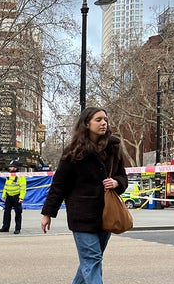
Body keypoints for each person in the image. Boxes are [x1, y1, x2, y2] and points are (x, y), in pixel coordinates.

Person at [40, 107, 127, 284]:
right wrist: (48, 213)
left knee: (91, 261)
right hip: (82, 215)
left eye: (105, 119)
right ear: (86, 124)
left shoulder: (113, 147)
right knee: (92, 260)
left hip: (106, 214)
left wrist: (117, 182)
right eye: (98, 119)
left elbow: (122, 176)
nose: (104, 123)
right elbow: (59, 185)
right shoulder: (73, 151)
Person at [0, 160, 27, 234]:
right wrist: (3, 195)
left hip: (16, 197)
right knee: (6, 212)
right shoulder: (9, 175)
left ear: (16, 168)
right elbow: (6, 186)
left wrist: (21, 197)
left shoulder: (21, 176)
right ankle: (5, 227)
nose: (10, 168)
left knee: (18, 213)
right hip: (9, 196)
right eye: (10, 166)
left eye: (12, 166)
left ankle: (17, 228)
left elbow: (23, 188)